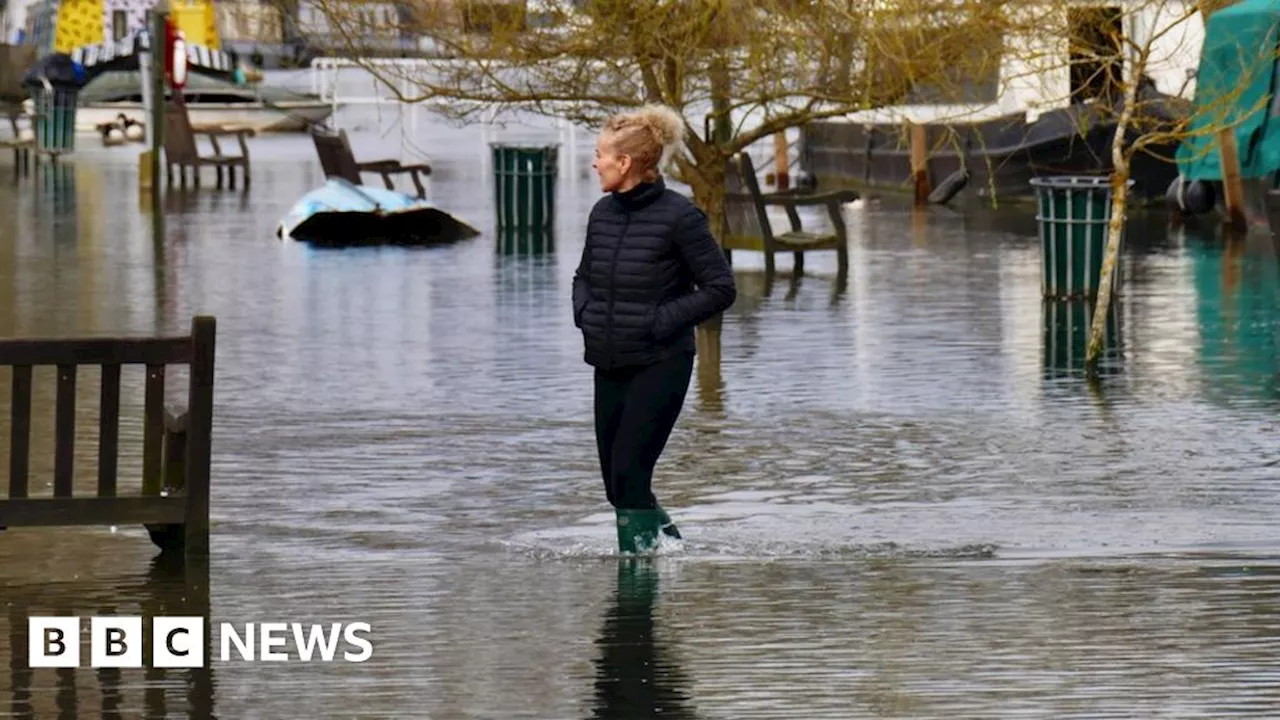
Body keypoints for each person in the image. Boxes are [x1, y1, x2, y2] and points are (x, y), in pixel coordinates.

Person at [572, 104, 737, 554]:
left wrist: (657, 321)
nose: (594, 162)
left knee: (630, 476)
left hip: (660, 363)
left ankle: (638, 583)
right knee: (615, 485)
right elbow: (583, 275)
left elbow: (721, 288)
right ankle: (672, 556)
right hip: (609, 360)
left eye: (600, 154)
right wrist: (583, 313)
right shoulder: (602, 214)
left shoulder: (680, 217)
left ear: (624, 163)